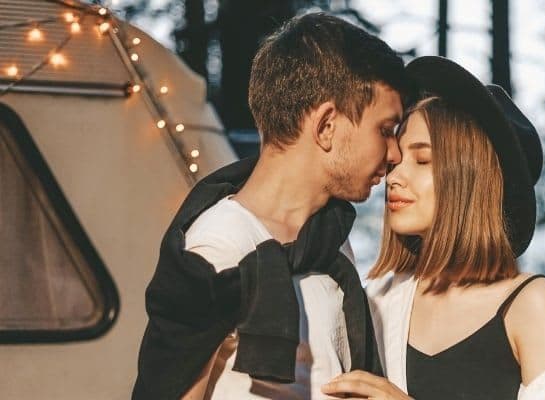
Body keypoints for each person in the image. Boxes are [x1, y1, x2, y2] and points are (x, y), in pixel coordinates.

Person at [132, 13, 410, 399]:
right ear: (327, 126)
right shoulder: (220, 246)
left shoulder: (329, 240)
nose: (394, 153)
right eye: (385, 130)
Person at [321, 56, 545, 399]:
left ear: (471, 178)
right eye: (395, 162)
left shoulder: (532, 304)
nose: (394, 177)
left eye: (423, 160)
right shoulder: (376, 303)